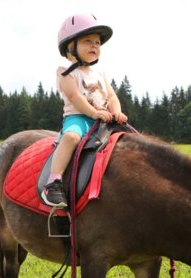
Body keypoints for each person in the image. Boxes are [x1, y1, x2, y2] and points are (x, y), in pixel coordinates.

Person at [41, 13, 128, 208]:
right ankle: (53, 182)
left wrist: (117, 112)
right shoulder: (66, 73)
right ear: (70, 46)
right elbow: (75, 97)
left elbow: (112, 96)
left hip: (104, 120)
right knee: (71, 137)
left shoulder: (100, 74)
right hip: (79, 118)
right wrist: (93, 113)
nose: (94, 46)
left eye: (97, 42)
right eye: (87, 41)